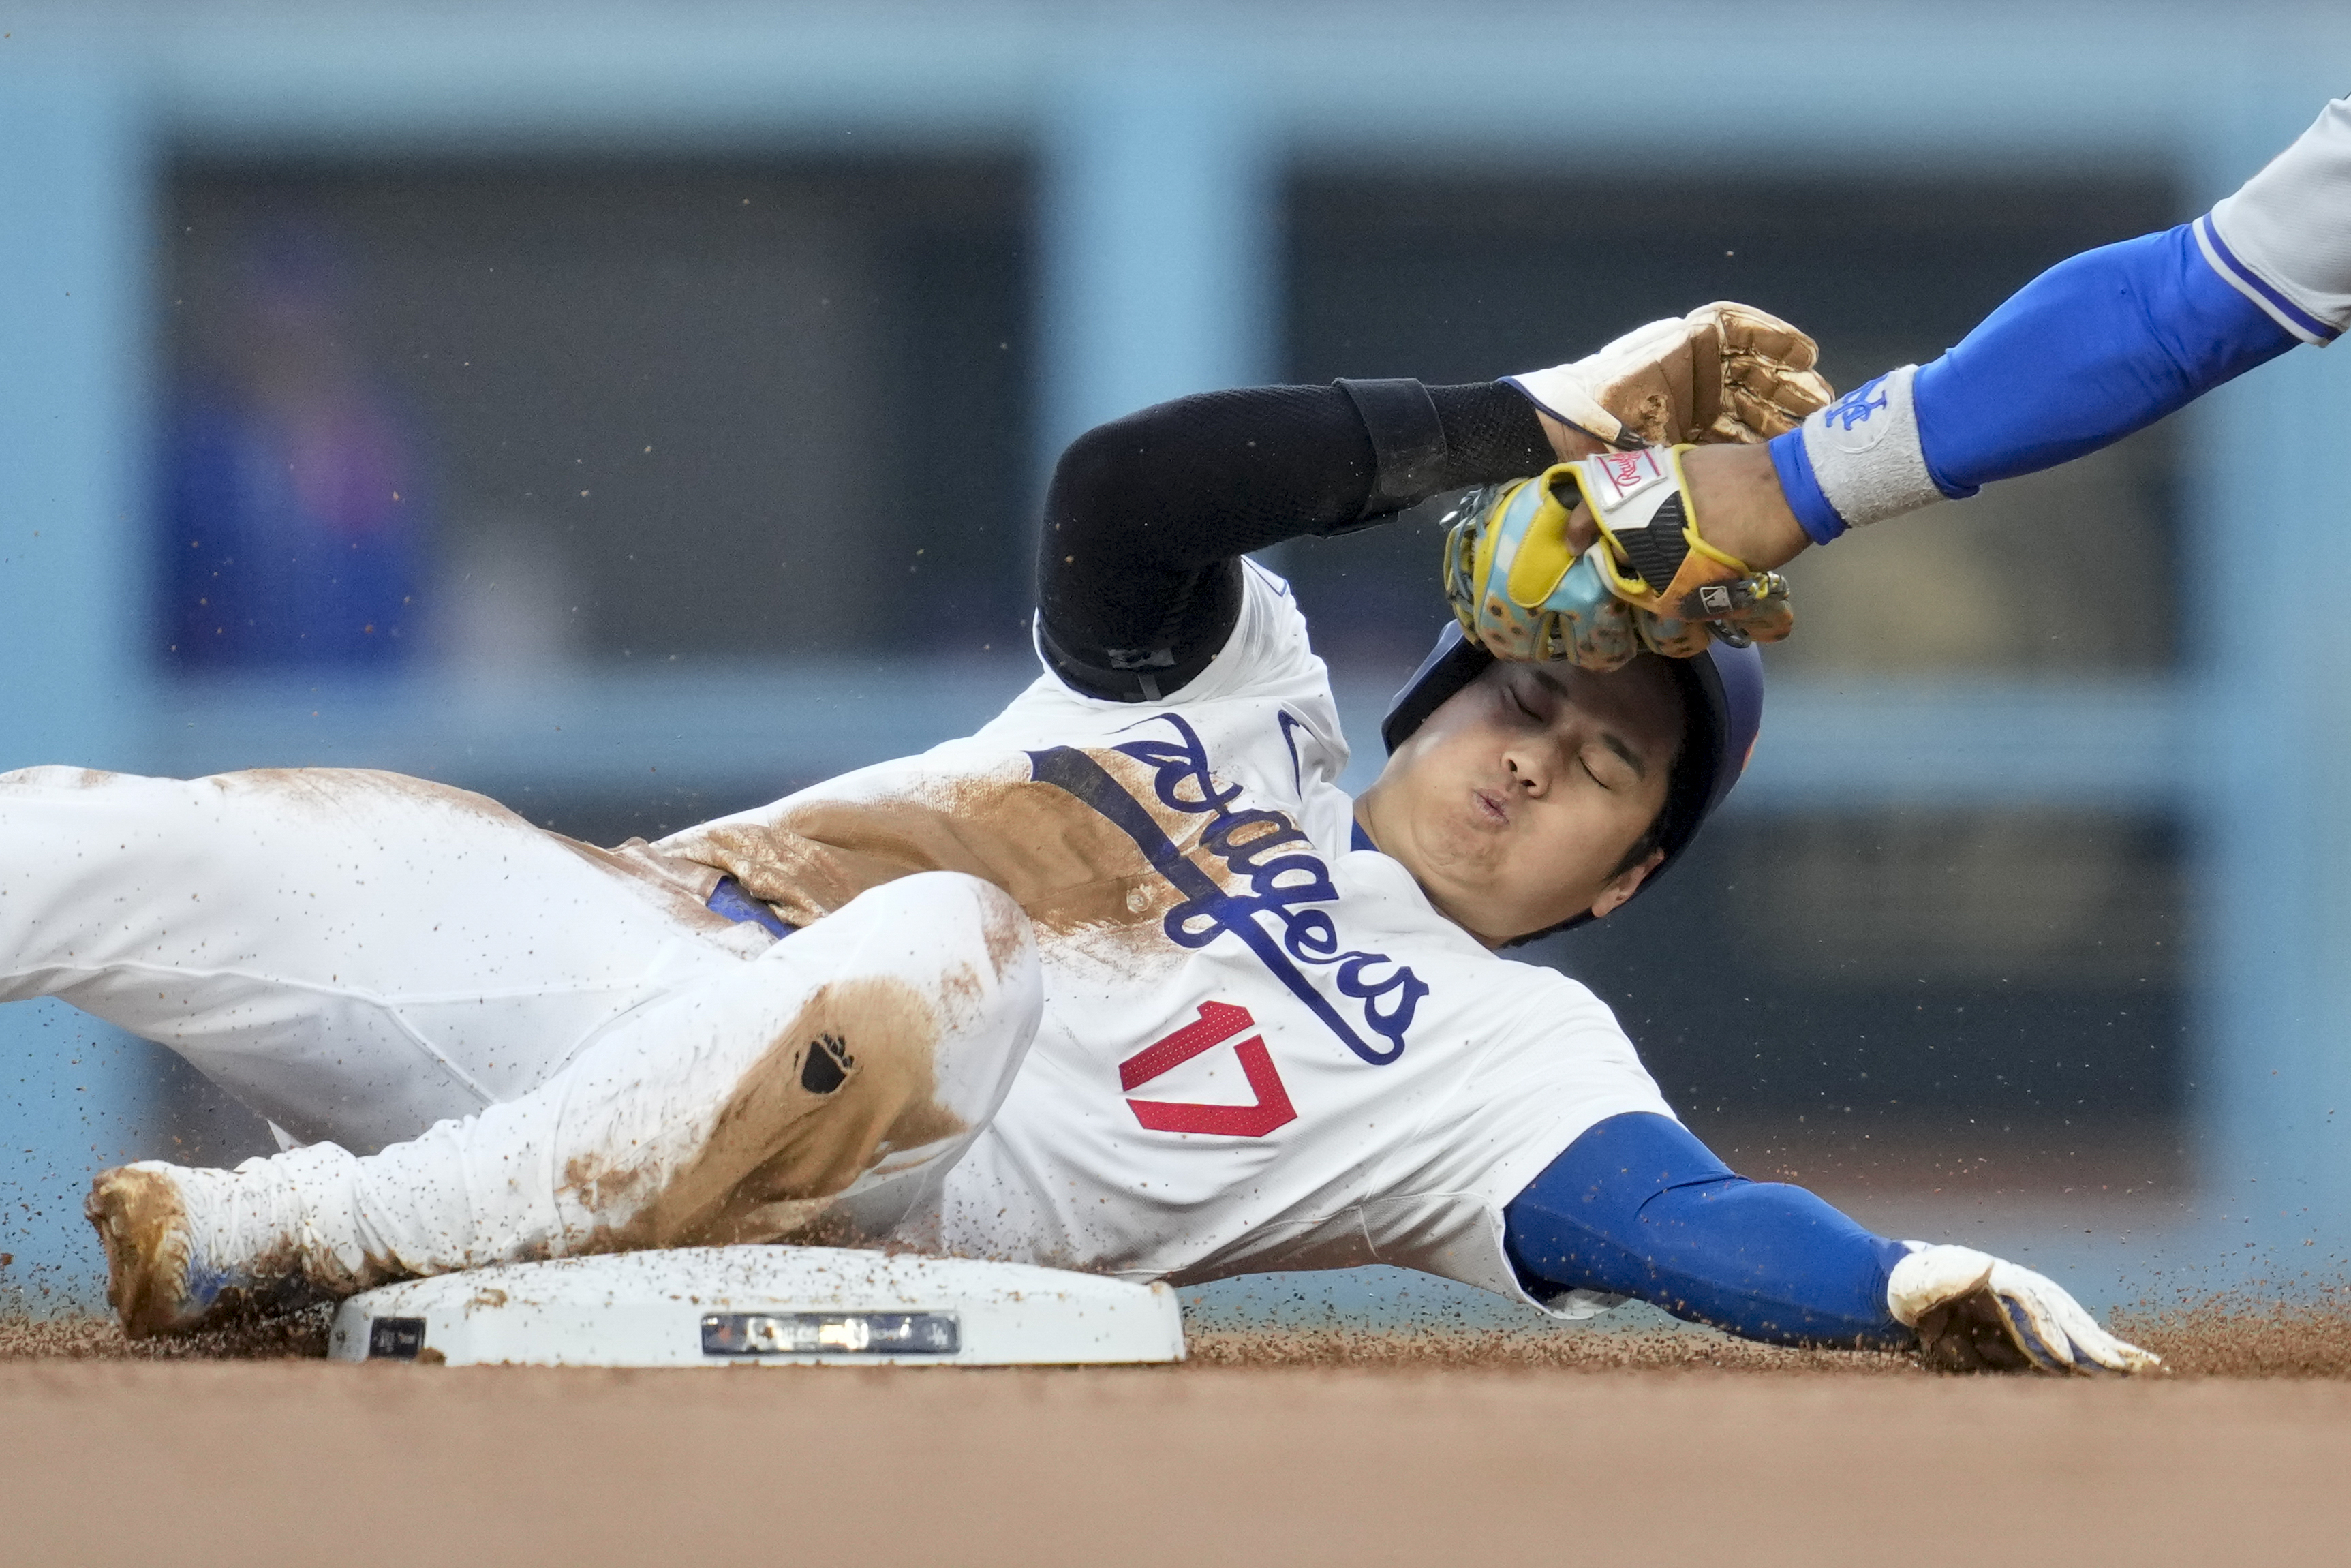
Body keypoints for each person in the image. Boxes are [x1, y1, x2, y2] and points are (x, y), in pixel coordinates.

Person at [49, 84, 2351, 1373]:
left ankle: (301, 1239)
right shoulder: (1239, 701)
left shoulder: (1506, 1064)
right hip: (575, 958)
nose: (1544, 750)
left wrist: (1898, 1282)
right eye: (1527, 696)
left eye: (1615, 766)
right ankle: (332, 1222)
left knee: (935, 954)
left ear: (1631, 881)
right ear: (1417, 702)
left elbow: (1675, 1222)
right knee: (112, 844)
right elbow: (1126, 494)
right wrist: (1540, 416)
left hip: (820, 1150)